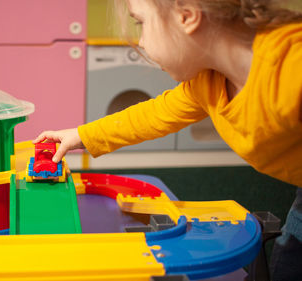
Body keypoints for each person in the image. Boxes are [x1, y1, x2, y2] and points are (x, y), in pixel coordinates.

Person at [33, 0, 302, 280]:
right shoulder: (206, 83)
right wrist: (81, 135)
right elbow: (154, 115)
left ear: (187, 17)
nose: (141, 41)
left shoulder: (291, 67)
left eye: (141, 23)